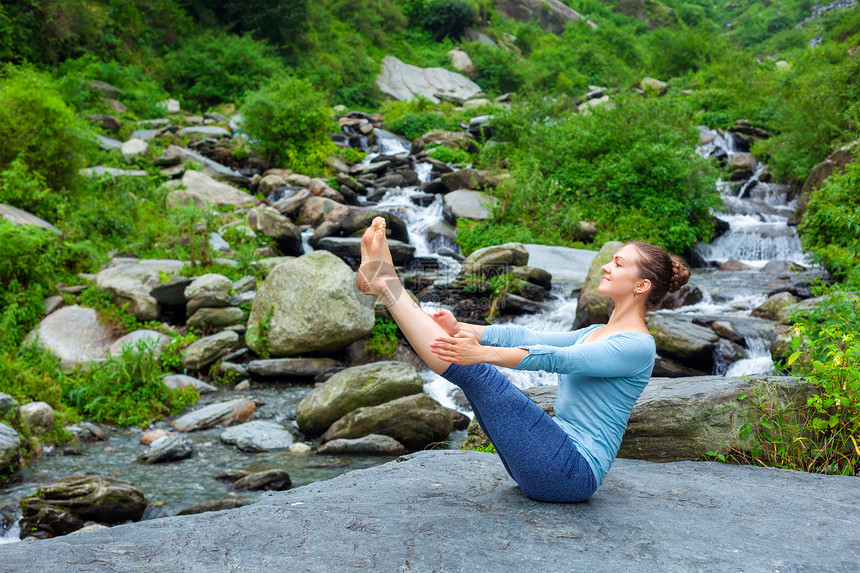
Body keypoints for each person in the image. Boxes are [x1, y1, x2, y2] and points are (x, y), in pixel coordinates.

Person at [356, 217, 690, 503]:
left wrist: (485, 355)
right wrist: (464, 328)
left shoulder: (638, 346)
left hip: (571, 472)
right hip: (552, 459)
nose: (606, 265)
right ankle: (384, 283)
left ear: (641, 285)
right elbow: (532, 338)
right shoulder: (596, 330)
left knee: (476, 371)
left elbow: (559, 359)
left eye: (618, 263)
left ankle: (386, 285)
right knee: (471, 364)